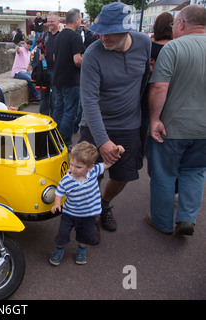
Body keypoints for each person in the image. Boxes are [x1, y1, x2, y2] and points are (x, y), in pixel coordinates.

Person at [79, 2, 151, 234]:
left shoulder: (144, 43)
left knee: (123, 176)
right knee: (90, 177)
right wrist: (103, 141)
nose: (103, 36)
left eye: (110, 32)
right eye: (101, 30)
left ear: (127, 29)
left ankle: (103, 205)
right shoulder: (92, 53)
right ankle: (89, 213)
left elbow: (143, 84)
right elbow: (88, 101)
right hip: (95, 125)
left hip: (129, 125)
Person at [145, 5, 206, 236]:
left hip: (173, 125)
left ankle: (162, 221)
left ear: (181, 23)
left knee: (164, 173)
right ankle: (187, 218)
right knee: (196, 171)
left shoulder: (174, 48)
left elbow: (160, 86)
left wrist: (154, 120)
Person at [50, 141, 124, 265]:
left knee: (85, 234)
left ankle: (81, 249)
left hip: (89, 214)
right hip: (70, 213)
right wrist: (57, 204)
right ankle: (59, 249)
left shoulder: (94, 171)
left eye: (78, 167)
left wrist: (118, 150)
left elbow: (108, 163)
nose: (73, 169)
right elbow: (59, 192)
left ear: (90, 167)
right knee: (62, 233)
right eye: (71, 164)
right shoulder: (67, 180)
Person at [140, 12, 173, 154]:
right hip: (169, 90)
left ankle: (142, 148)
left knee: (146, 117)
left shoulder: (149, 47)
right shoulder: (174, 48)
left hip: (148, 87)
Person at [52, 8, 85, 147]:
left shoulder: (59, 36)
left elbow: (54, 57)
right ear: (76, 20)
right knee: (70, 112)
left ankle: (54, 139)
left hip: (57, 79)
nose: (81, 22)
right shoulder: (75, 36)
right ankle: (64, 142)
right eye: (81, 19)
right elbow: (77, 60)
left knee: (58, 110)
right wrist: (88, 66)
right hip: (71, 80)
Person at [38, 12, 60, 118]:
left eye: (52, 21)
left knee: (55, 97)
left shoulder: (61, 35)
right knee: (44, 96)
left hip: (57, 70)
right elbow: (42, 48)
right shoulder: (46, 35)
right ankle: (43, 118)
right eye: (48, 21)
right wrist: (41, 55)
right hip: (45, 69)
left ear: (58, 22)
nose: (49, 24)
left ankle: (54, 120)